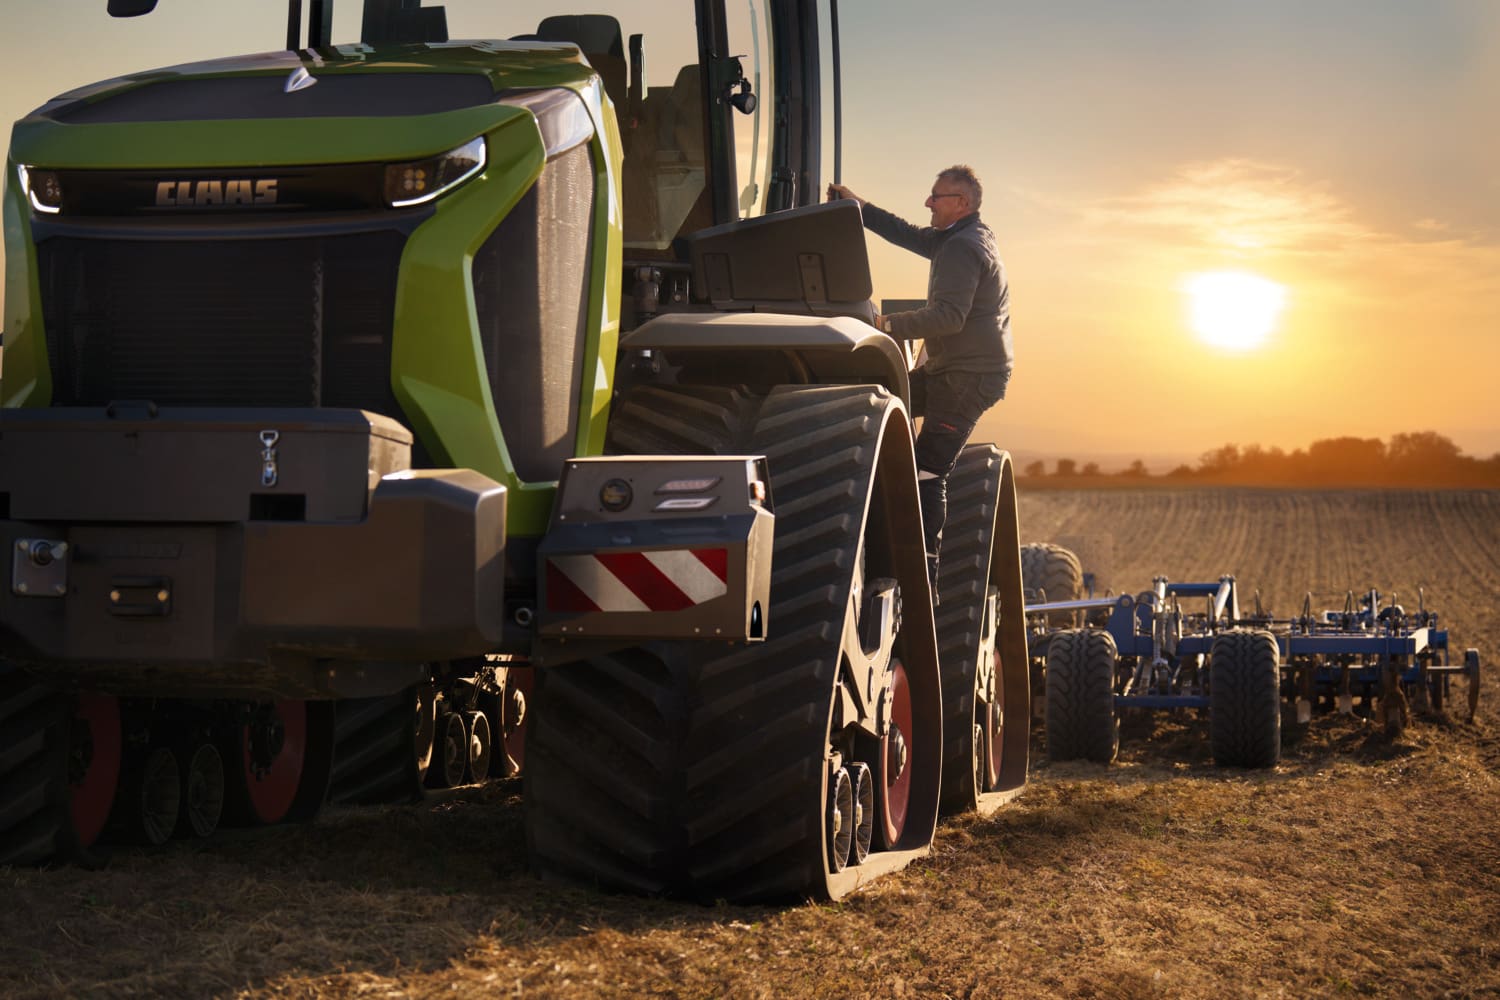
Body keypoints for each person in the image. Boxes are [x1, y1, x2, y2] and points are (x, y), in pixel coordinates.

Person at [827, 166, 1012, 593]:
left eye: (936, 196)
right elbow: (907, 234)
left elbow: (949, 317)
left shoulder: (962, 247)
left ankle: (921, 580)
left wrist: (883, 323)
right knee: (888, 405)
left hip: (968, 378)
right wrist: (861, 208)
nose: (928, 203)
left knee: (929, 472)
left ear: (961, 204)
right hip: (950, 369)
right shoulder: (960, 236)